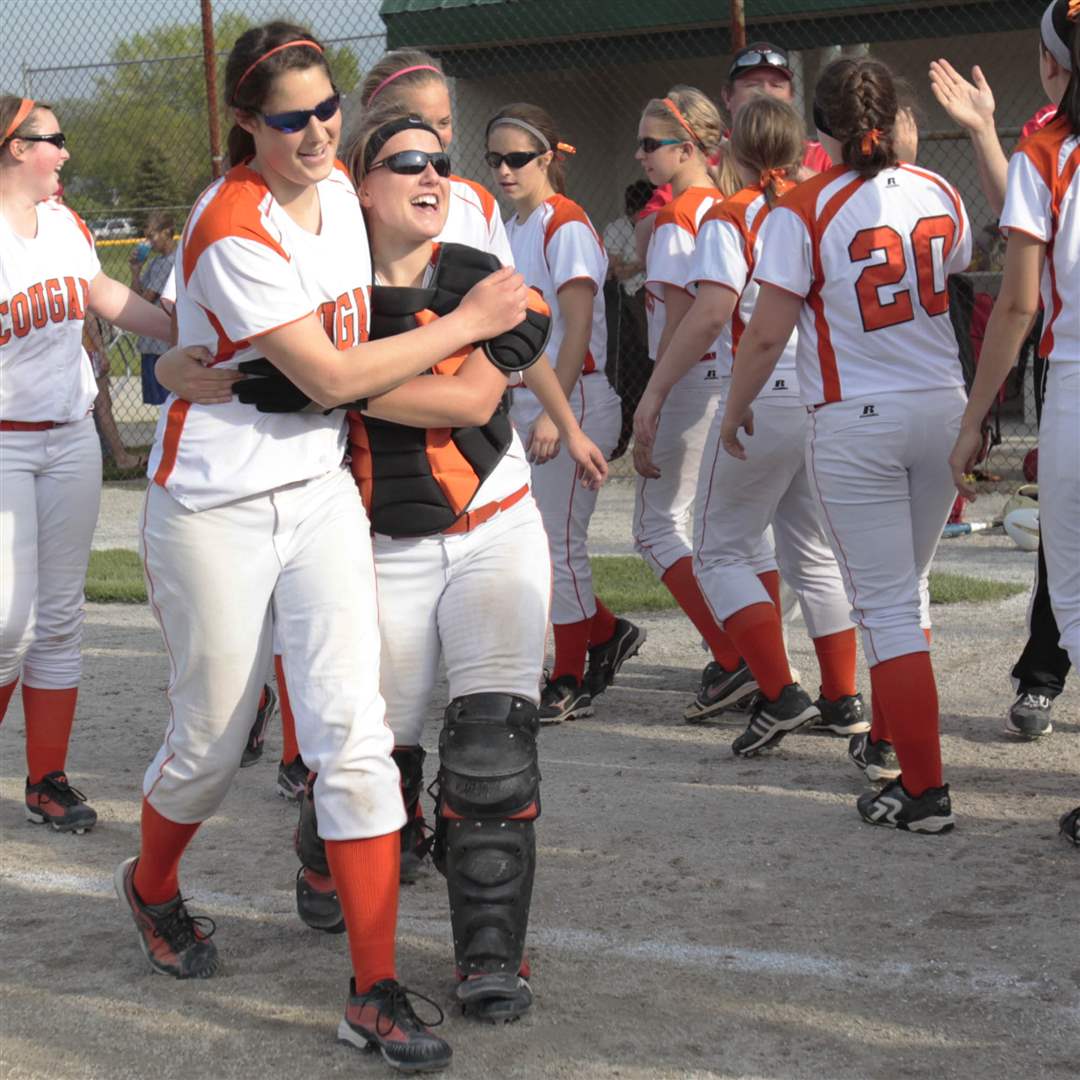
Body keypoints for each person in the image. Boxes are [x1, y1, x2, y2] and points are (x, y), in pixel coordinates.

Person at [114, 23, 528, 1071]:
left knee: (353, 737)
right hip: (214, 507)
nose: (314, 133)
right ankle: (152, 883)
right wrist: (470, 318)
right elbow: (336, 377)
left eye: (325, 111)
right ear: (245, 124)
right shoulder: (235, 223)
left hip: (318, 491)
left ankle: (374, 991)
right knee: (210, 744)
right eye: (288, 118)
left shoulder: (342, 195)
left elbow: (324, 363)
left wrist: (179, 345)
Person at [244, 47, 613, 796]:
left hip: (486, 496)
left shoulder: (467, 211)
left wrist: (328, 384)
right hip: (382, 519)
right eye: (412, 147)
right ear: (364, 175)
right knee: (372, 756)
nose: (435, 167)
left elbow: (495, 358)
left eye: (444, 140)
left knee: (490, 755)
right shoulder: (324, 238)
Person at [719, 56, 972, 834]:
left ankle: (923, 791)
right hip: (941, 408)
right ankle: (893, 755)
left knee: (889, 606)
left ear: (819, 130)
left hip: (857, 417)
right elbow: (955, 270)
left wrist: (734, 408)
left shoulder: (804, 206)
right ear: (895, 118)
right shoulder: (937, 190)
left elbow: (765, 335)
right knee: (909, 593)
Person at [639, 95, 864, 749]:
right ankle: (844, 699)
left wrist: (653, 393)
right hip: (821, 389)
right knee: (814, 554)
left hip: (764, 387)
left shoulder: (732, 214)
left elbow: (712, 315)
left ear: (733, 149)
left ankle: (779, 691)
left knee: (718, 548)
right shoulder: (820, 203)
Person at [0, 94, 171, 834]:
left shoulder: (67, 226)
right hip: (2, 442)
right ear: (13, 147)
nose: (64, 152)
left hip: (69, 437)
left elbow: (103, 296)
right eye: (51, 140)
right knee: (7, 622)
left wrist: (187, 322)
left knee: (62, 616)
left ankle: (48, 779)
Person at [949, 0, 1079, 848]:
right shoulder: (1035, 153)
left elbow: (1021, 302)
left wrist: (974, 419)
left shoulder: (1047, 150)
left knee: (1074, 594)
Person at [487, 102, 643, 722]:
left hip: (576, 397)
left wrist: (561, 417)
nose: (504, 168)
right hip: (535, 399)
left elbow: (578, 331)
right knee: (536, 541)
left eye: (518, 157)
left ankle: (572, 674)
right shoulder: (514, 224)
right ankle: (604, 633)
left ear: (548, 158)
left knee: (558, 544)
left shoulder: (564, 224)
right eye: (495, 157)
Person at [632, 86, 753, 709]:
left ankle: (735, 655)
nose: (641, 156)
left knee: (656, 528)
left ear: (689, 148)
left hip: (690, 377)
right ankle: (749, 656)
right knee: (729, 534)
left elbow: (684, 320)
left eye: (653, 144)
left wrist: (651, 396)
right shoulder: (728, 204)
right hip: (723, 376)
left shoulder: (683, 215)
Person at [633, 42, 832, 262]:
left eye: (776, 85)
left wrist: (794, 174)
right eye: (752, 84)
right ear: (727, 97)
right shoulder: (702, 159)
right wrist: (700, 197)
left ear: (791, 97)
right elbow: (644, 247)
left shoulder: (820, 156)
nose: (765, 93)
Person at [129, 210, 176, 407]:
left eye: (152, 236)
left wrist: (138, 297)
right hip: (151, 343)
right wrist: (136, 271)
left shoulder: (172, 260)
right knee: (159, 402)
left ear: (166, 232)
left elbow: (145, 298)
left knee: (168, 399)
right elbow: (136, 295)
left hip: (163, 343)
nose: (149, 242)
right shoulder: (156, 262)